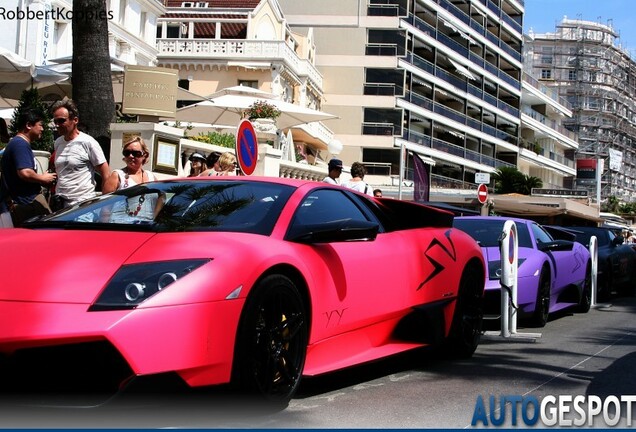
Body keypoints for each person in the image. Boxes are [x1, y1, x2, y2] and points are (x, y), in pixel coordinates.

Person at [0, 108, 57, 227]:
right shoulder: (20, 144)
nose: (42, 129)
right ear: (28, 125)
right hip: (27, 204)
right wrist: (42, 178)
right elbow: (24, 172)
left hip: (23, 203)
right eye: (40, 125)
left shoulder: (17, 143)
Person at [50, 99, 109, 210]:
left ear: (75, 120)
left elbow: (105, 173)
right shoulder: (58, 143)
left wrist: (104, 206)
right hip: (61, 205)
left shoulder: (88, 142)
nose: (57, 125)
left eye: (61, 121)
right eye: (55, 121)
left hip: (83, 205)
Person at [101, 136, 162, 222]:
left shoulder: (151, 177)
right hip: (121, 227)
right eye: (127, 153)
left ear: (144, 155)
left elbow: (162, 198)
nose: (130, 156)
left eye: (135, 153)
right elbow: (105, 208)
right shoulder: (117, 176)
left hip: (146, 228)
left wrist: (155, 219)